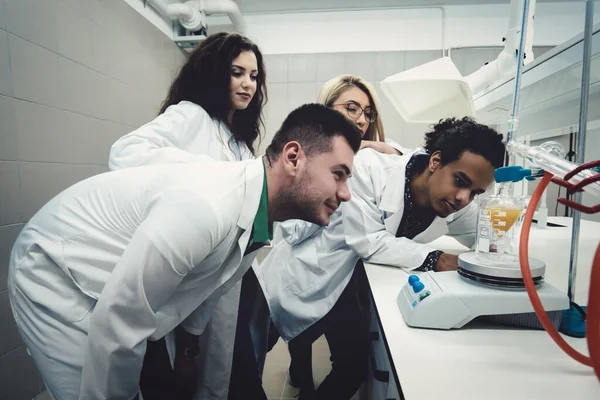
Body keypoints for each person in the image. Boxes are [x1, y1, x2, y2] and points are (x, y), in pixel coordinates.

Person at [7, 104, 362, 400]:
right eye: (338, 174)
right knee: (91, 390)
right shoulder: (206, 207)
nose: (346, 193)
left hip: (110, 285)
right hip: (52, 269)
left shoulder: (259, 214)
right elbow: (120, 322)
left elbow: (210, 286)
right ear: (293, 157)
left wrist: (190, 351)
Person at [257, 117, 506, 399]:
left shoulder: (455, 203)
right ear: (435, 162)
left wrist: (504, 221)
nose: (463, 198)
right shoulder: (371, 169)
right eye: (460, 181)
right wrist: (436, 258)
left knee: (351, 367)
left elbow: (488, 233)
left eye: (475, 192)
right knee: (248, 355)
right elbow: (368, 241)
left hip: (353, 287)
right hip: (313, 271)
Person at [107, 32, 266, 399]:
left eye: (254, 76)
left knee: (226, 372)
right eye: (237, 72)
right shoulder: (191, 116)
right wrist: (209, 173)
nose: (248, 84)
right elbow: (125, 152)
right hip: (186, 276)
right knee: (195, 375)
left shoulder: (240, 143)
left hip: (226, 282)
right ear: (214, 73)